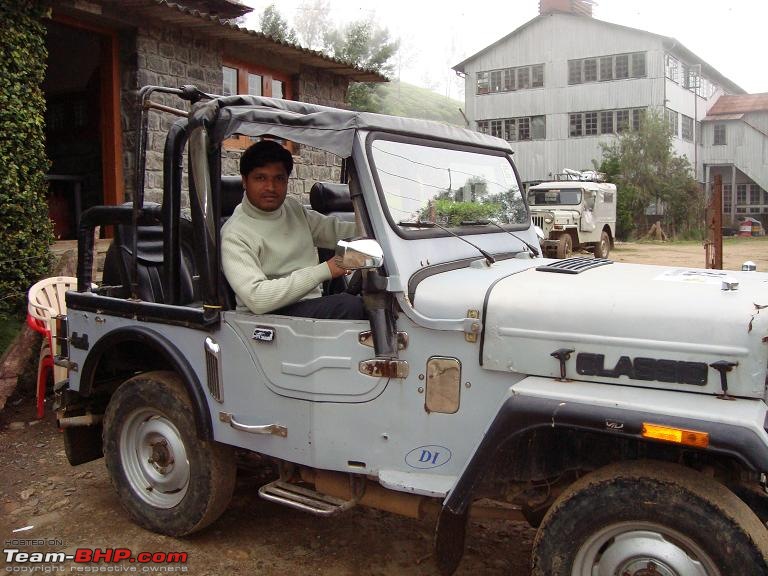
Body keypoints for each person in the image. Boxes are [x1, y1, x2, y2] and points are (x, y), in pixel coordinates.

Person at [221, 140, 365, 319]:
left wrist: (379, 231)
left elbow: (336, 230)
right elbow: (257, 298)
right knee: (352, 307)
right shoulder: (235, 233)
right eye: (260, 178)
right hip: (265, 319)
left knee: (379, 301)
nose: (271, 187)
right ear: (244, 181)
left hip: (308, 310)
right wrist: (327, 269)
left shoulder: (293, 209)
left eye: (279, 179)